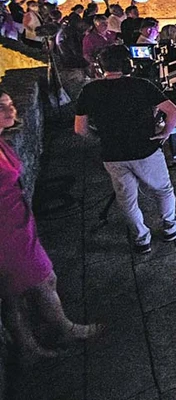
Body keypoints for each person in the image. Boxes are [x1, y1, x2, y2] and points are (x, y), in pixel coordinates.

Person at [0, 90, 102, 361]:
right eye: (2, 107)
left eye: (10, 104)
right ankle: (64, 330)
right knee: (43, 279)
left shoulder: (2, 141)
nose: (11, 111)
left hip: (18, 223)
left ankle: (28, 346)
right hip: (6, 234)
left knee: (14, 294)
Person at [74, 45, 176, 253]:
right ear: (129, 65)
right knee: (163, 190)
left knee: (126, 200)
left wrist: (101, 138)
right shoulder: (142, 85)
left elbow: (80, 129)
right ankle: (171, 227)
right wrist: (164, 134)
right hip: (145, 150)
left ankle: (141, 239)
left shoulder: (89, 91)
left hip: (112, 155)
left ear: (100, 68)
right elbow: (173, 112)